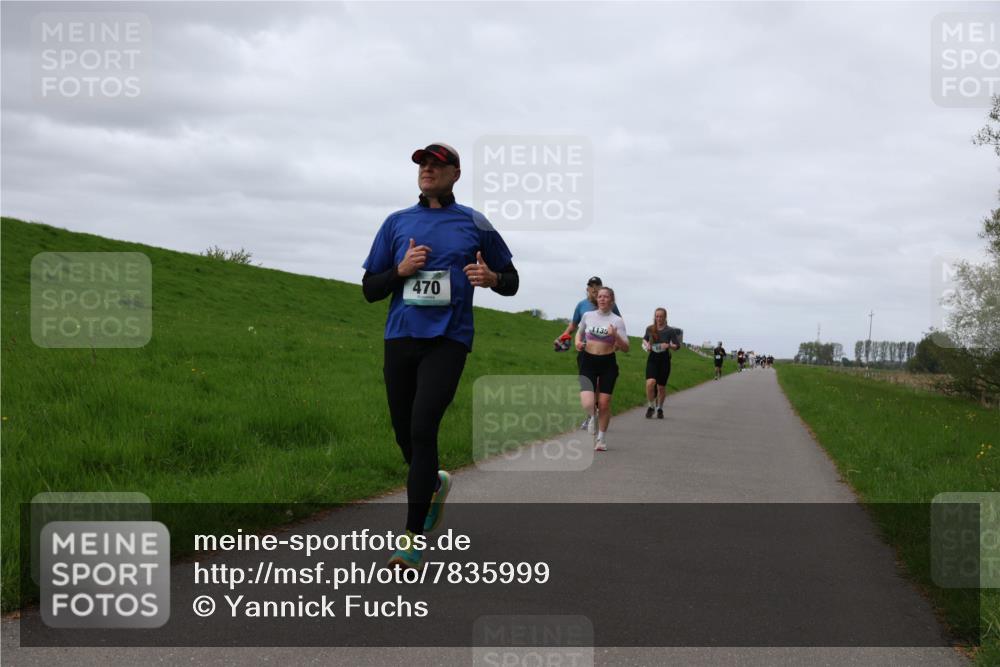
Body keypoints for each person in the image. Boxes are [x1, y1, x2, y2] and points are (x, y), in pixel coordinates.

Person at [362, 142, 518, 570]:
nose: (427, 170)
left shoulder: (473, 221)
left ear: (455, 174)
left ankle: (411, 538)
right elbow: (370, 289)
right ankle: (432, 482)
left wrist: (490, 277)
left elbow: (512, 280)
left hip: (449, 338)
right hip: (401, 337)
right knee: (402, 433)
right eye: (422, 165)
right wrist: (400, 271)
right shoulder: (396, 223)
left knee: (422, 426)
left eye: (436, 165)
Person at [555, 277, 622, 431]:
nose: (594, 289)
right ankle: (591, 414)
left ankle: (595, 414)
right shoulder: (581, 305)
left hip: (604, 351)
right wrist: (563, 336)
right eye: (591, 286)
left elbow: (619, 323)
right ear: (587, 289)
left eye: (597, 286)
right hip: (585, 350)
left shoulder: (611, 306)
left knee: (599, 385)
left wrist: (617, 341)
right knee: (588, 385)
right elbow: (573, 325)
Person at [576, 286, 629, 451]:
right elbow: (579, 333)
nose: (603, 299)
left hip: (608, 363)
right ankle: (592, 416)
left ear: (612, 300)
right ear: (596, 299)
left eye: (606, 297)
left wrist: (616, 336)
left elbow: (626, 347)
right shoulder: (587, 316)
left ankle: (601, 439)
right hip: (588, 361)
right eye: (600, 296)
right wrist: (578, 342)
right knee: (587, 403)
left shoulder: (617, 321)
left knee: (604, 403)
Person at [641, 308, 683, 419]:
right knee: (650, 383)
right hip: (653, 359)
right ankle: (651, 406)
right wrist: (647, 345)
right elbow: (644, 339)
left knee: (661, 387)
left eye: (661, 316)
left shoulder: (670, 331)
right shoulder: (650, 328)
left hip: (664, 360)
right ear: (654, 317)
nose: (658, 318)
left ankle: (660, 408)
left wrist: (668, 345)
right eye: (657, 316)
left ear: (665, 317)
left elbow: (677, 346)